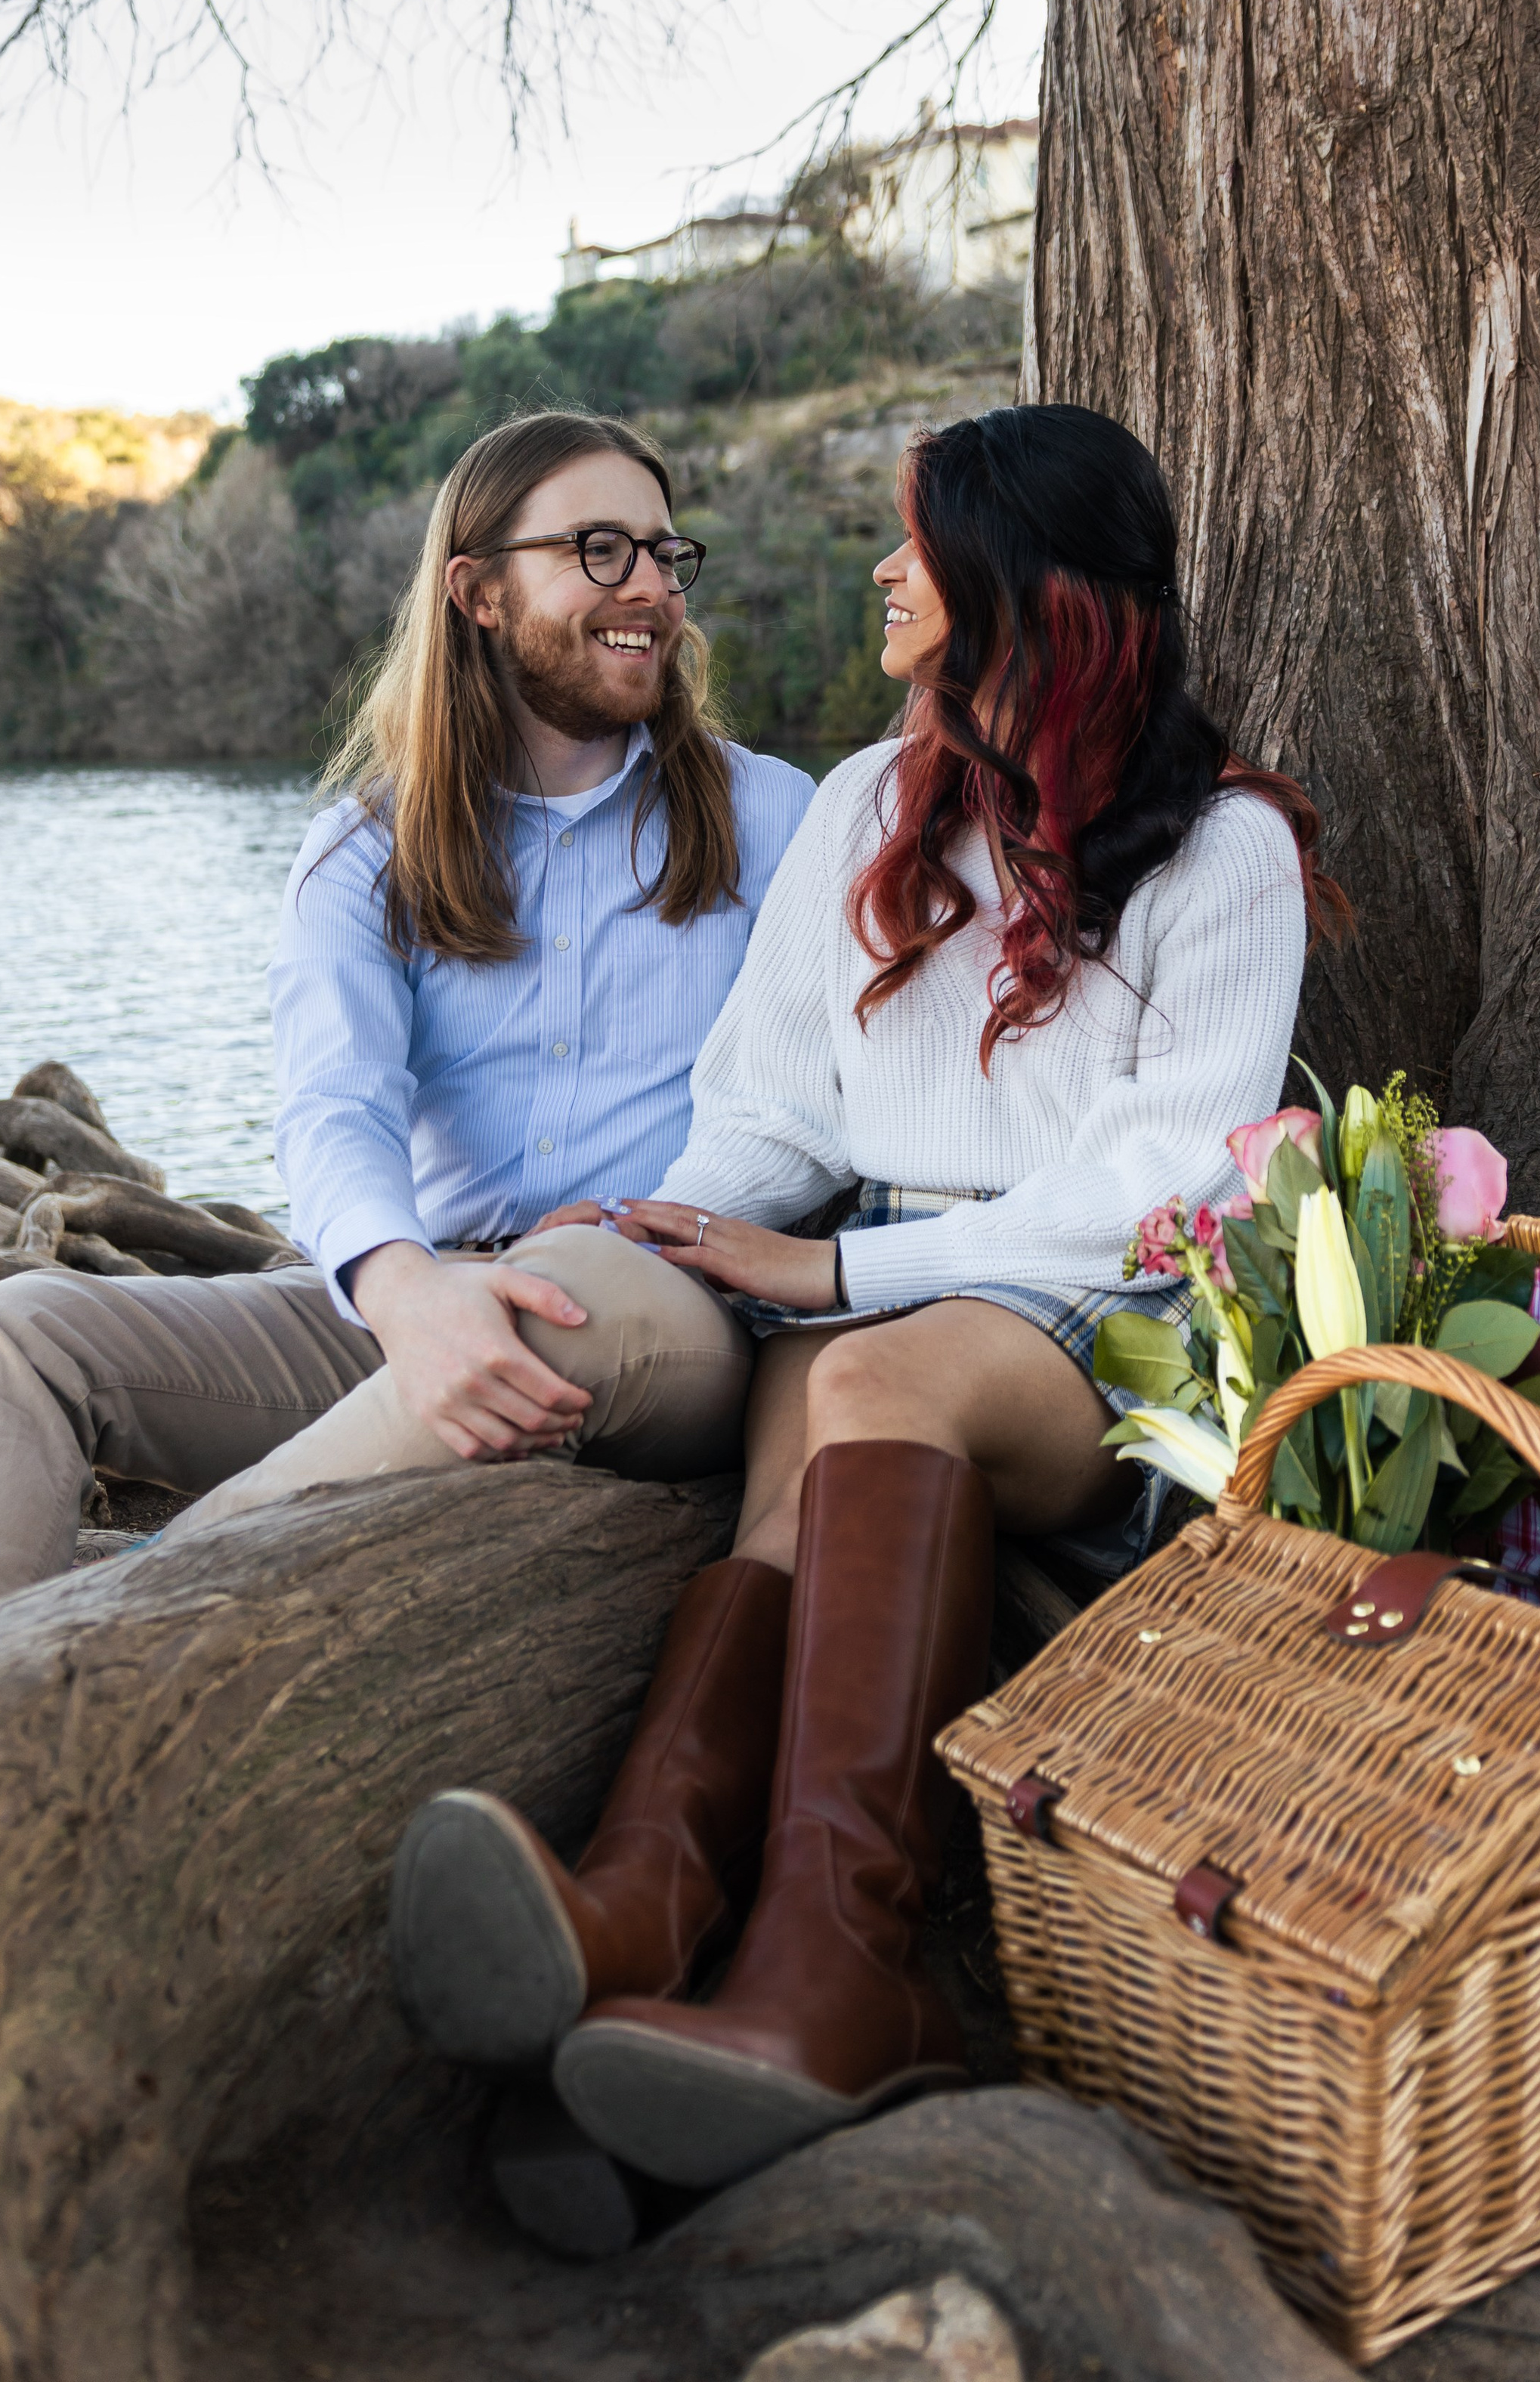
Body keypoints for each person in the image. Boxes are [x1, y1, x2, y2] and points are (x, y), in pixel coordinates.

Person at [390, 401, 1347, 2189]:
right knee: (797, 1431)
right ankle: (640, 1907)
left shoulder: (1221, 852)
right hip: (866, 1291)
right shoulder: (857, 806)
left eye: (918, 543)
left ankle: (850, 1964)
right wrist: (679, 1222)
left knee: (864, 1381)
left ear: (1021, 586)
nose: (885, 574)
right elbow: (770, 1107)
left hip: (1089, 1310)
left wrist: (839, 1267)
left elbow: (1154, 1188)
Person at [0, 413, 814, 1682]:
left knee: (569, 1288)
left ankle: (114, 1622)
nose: (652, 591)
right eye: (600, 550)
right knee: (11, 1333)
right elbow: (334, 1108)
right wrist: (406, 1291)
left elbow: (830, 1104)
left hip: (667, 1317)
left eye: (668, 555)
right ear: (480, 593)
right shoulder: (365, 850)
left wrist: (660, 1218)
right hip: (442, 1290)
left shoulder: (778, 817)